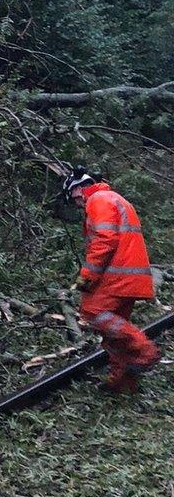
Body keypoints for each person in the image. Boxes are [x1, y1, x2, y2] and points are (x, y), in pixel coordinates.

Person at [63, 166, 161, 393]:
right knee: (113, 331)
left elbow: (104, 241)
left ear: (78, 190)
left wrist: (85, 279)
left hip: (117, 276)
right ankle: (122, 382)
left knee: (92, 311)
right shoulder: (114, 199)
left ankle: (145, 351)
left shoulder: (98, 199)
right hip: (128, 276)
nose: (77, 205)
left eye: (74, 199)